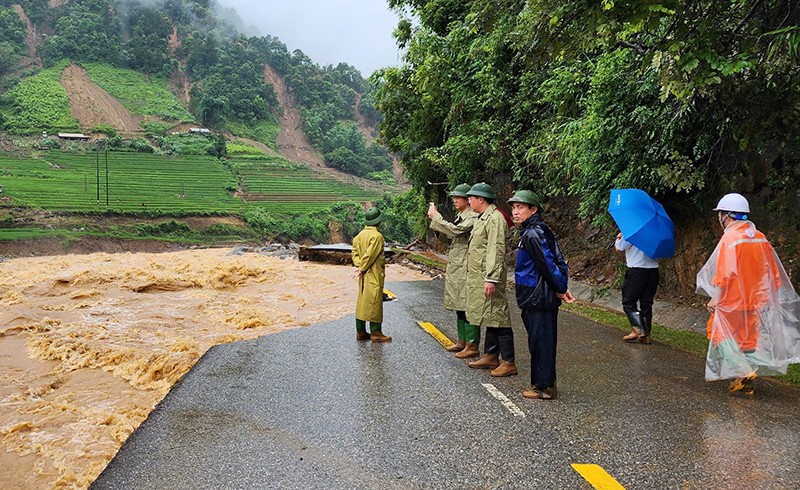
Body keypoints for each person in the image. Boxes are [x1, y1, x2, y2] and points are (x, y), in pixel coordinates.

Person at [697, 193, 800, 394]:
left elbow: (724, 273)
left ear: (726, 215)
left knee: (718, 334)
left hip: (732, 300)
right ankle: (746, 381)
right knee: (747, 340)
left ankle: (744, 371)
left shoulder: (730, 238)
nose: (719, 218)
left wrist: (714, 298)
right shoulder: (760, 237)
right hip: (756, 301)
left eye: (720, 214)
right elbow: (773, 272)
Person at [507, 190, 574, 400]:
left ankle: (544, 387)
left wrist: (561, 288)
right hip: (536, 295)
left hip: (538, 297)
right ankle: (542, 384)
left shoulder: (533, 233)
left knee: (541, 342)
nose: (515, 212)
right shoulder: (534, 230)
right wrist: (560, 286)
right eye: (513, 207)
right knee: (538, 341)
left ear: (533, 209)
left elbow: (548, 264)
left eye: (520, 207)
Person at [463, 182, 517, 377]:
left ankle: (508, 361)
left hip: (489, 276)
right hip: (481, 275)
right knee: (490, 315)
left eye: (471, 197)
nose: (468, 200)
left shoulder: (494, 219)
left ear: (481, 199)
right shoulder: (482, 218)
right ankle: (491, 354)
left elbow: (496, 249)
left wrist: (491, 278)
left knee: (499, 315)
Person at [427, 183, 479, 357]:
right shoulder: (461, 215)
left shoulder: (472, 217)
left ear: (468, 200)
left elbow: (456, 231)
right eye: (454, 197)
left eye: (459, 197)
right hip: (457, 264)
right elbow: (449, 234)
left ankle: (472, 345)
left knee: (467, 304)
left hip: (466, 265)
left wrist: (437, 218)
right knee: (459, 303)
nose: (455, 200)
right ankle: (462, 341)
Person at [352, 206, 391, 343]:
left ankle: (361, 332)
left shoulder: (358, 236)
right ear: (378, 221)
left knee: (362, 301)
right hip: (373, 273)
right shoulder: (377, 236)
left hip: (362, 275)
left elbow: (355, 253)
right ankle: (376, 333)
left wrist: (358, 266)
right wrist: (362, 268)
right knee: (374, 301)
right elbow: (370, 255)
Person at [614, 233, 659, 344]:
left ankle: (638, 329)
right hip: (653, 271)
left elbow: (619, 248)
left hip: (637, 271)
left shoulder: (631, 231)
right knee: (647, 303)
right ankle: (646, 334)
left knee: (628, 302)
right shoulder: (656, 233)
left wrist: (618, 237)